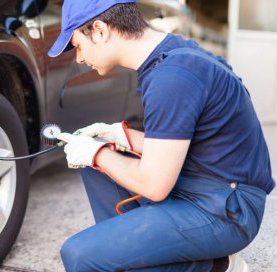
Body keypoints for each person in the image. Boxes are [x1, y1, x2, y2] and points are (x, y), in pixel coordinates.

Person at [48, 0, 276, 271]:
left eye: (77, 45)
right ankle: (141, 253)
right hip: (208, 183)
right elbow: (185, 143)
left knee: (80, 255)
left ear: (99, 31)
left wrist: (97, 153)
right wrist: (118, 136)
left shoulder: (173, 76)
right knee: (96, 163)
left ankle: (215, 266)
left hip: (227, 210)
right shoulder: (171, 54)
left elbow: (154, 185)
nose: (79, 58)